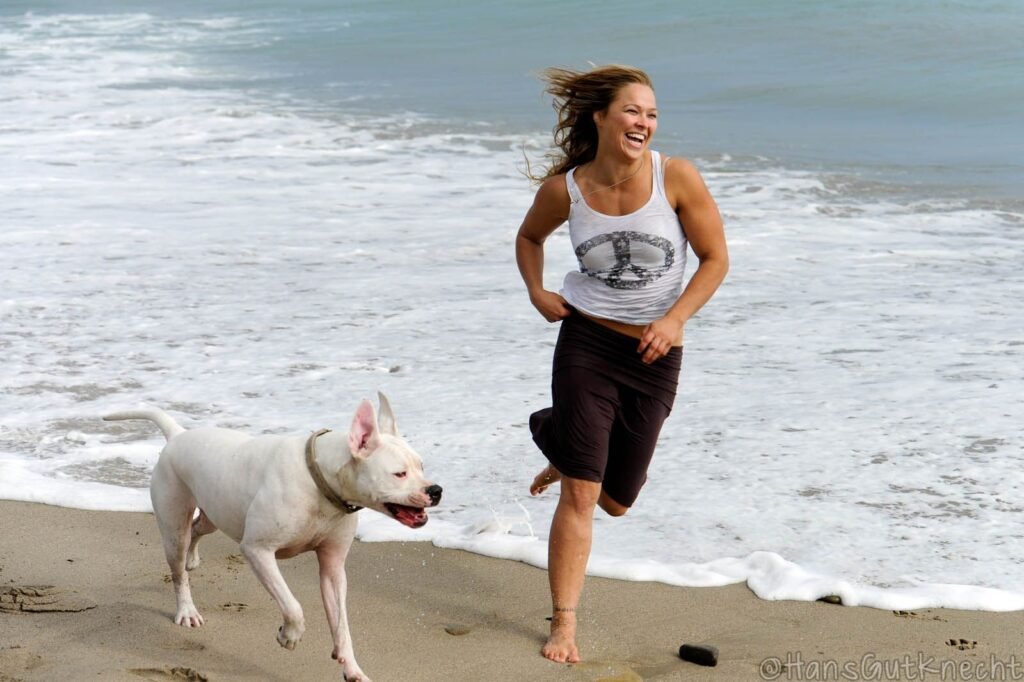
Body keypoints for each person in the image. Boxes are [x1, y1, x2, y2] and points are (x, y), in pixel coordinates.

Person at [515, 64, 729, 664]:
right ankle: (564, 623)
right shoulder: (567, 190)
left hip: (656, 355)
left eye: (653, 114)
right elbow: (529, 238)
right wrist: (537, 291)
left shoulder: (676, 178)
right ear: (602, 118)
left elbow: (715, 259)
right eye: (633, 111)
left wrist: (675, 318)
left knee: (615, 500)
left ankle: (557, 437)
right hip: (587, 343)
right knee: (582, 497)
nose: (645, 123)